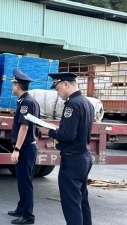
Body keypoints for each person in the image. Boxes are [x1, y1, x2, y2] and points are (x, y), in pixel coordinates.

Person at [37, 72, 94, 225]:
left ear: (66, 84)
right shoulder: (86, 102)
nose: (57, 92)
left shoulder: (72, 104)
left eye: (57, 88)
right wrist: (59, 130)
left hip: (73, 159)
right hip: (84, 157)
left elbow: (68, 135)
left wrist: (48, 131)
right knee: (82, 201)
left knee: (71, 205)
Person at [8, 68, 40, 225]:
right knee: (22, 180)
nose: (12, 87)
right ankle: (21, 208)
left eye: (13, 84)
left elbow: (24, 127)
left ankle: (28, 215)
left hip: (26, 148)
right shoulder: (29, 100)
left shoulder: (26, 102)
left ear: (17, 86)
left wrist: (17, 149)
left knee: (25, 181)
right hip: (28, 147)